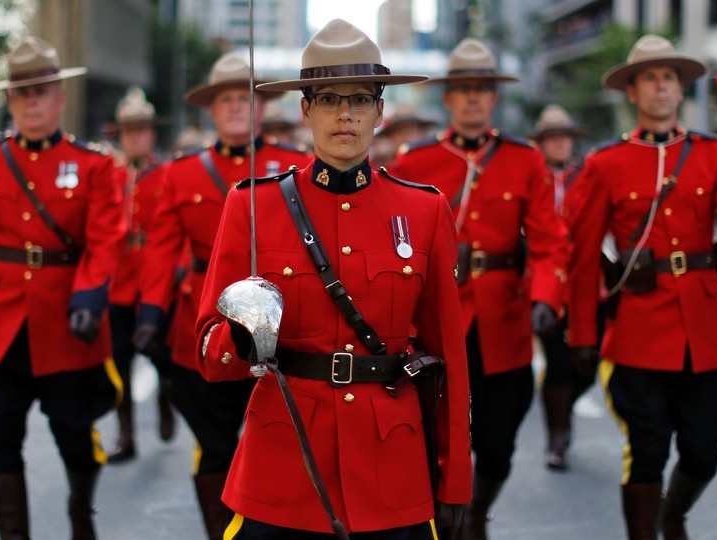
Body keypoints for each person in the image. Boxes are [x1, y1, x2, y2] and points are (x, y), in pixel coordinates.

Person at [191, 18, 472, 539]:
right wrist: (243, 332)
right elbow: (209, 354)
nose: (345, 113)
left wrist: (454, 480)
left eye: (361, 99)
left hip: (391, 467)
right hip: (285, 460)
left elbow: (448, 358)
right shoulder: (252, 205)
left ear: (380, 112)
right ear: (304, 110)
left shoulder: (425, 210)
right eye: (327, 99)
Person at [567, 35, 717, 540]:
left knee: (704, 449)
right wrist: (580, 334)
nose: (662, 86)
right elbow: (581, 252)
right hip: (638, 330)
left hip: (705, 333)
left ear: (680, 91)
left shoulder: (712, 152)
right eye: (650, 78)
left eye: (669, 78)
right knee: (648, 448)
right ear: (632, 93)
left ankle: (674, 513)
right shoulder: (606, 163)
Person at [389, 37, 569, 540]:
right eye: (463, 89)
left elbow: (551, 242)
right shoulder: (415, 162)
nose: (472, 98)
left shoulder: (523, 159)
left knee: (498, 443)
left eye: (482, 89)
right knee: (435, 432)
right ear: (447, 98)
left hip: (502, 317)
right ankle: (449, 520)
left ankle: (479, 510)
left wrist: (545, 298)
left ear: (494, 98)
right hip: (435, 317)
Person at [131, 51, 311, 540]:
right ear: (211, 110)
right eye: (226, 99)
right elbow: (162, 250)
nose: (236, 107)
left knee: (277, 445)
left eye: (245, 98)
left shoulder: (297, 166)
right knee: (213, 446)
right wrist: (150, 312)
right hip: (208, 325)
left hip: (281, 332)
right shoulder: (182, 173)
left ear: (260, 107)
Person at [0, 36, 124, 540]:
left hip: (66, 320)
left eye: (42, 90)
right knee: (0, 436)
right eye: (22, 91)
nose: (32, 101)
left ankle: (80, 515)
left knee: (76, 432)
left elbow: (105, 240)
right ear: (9, 99)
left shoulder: (94, 164)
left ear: (60, 97)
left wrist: (90, 297)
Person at [105, 87, 176, 462]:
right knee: (119, 361)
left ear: (151, 134)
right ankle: (126, 434)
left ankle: (166, 396)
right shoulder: (110, 176)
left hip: (154, 277)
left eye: (141, 130)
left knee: (162, 356)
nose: (135, 136)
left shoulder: (167, 175)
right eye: (128, 130)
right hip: (118, 280)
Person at [528, 104, 594, 471]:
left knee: (589, 361)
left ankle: (563, 405)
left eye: (565, 137)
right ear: (541, 143)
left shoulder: (586, 176)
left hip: (587, 282)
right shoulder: (530, 177)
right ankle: (557, 436)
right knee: (557, 361)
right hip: (546, 283)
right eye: (553, 137)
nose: (560, 143)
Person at [371, 103, 438, 167]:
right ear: (390, 137)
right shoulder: (379, 169)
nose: (406, 137)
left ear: (421, 134)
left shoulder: (433, 164)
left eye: (410, 131)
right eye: (400, 132)